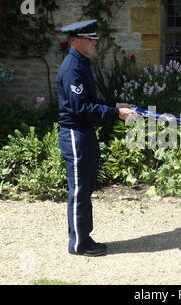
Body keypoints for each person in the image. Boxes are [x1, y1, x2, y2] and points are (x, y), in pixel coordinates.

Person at [56, 19, 137, 257]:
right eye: (90, 39)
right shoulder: (72, 68)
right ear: (76, 41)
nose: (94, 43)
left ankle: (83, 237)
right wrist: (115, 113)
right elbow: (81, 107)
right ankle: (79, 243)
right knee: (80, 189)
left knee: (85, 186)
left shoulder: (81, 64)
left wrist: (114, 105)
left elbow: (89, 102)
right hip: (75, 133)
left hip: (84, 132)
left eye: (94, 39)